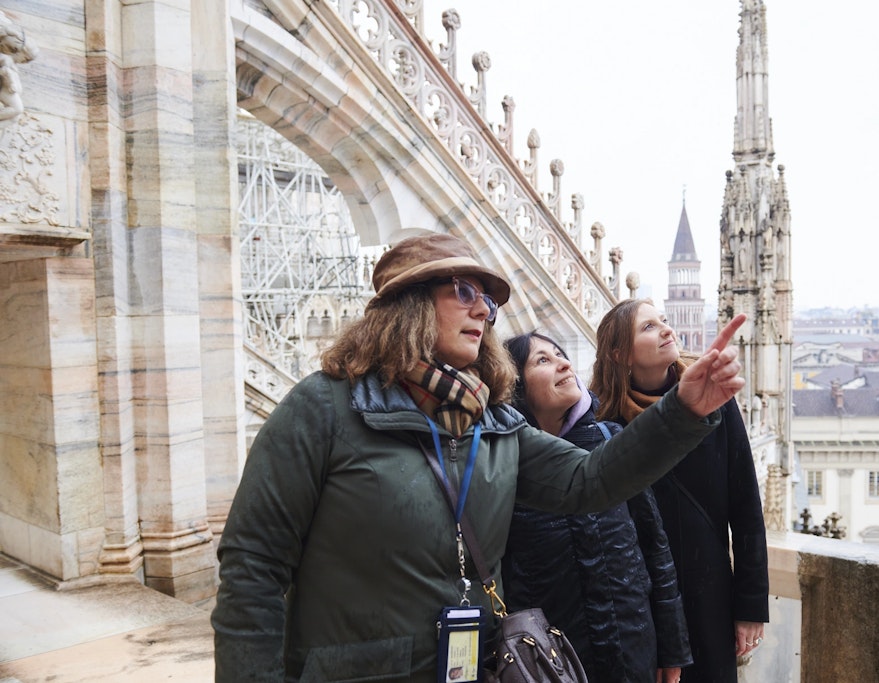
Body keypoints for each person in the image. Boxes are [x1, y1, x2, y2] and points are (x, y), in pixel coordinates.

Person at [211, 232, 748, 683]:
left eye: (488, 302)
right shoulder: (325, 408)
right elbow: (252, 567)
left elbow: (590, 480)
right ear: (410, 303)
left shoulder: (490, 423)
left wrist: (681, 409)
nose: (483, 311)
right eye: (464, 291)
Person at [590, 299, 769, 683]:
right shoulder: (605, 424)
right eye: (649, 327)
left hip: (710, 596)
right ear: (620, 353)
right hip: (642, 605)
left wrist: (750, 607)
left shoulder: (715, 399)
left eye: (665, 321)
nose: (667, 330)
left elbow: (747, 506)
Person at [501, 331, 692, 683]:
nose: (564, 363)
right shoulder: (505, 464)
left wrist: (672, 646)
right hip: (548, 660)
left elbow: (654, 547)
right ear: (515, 387)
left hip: (632, 648)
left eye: (561, 353)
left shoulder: (609, 440)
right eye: (542, 360)